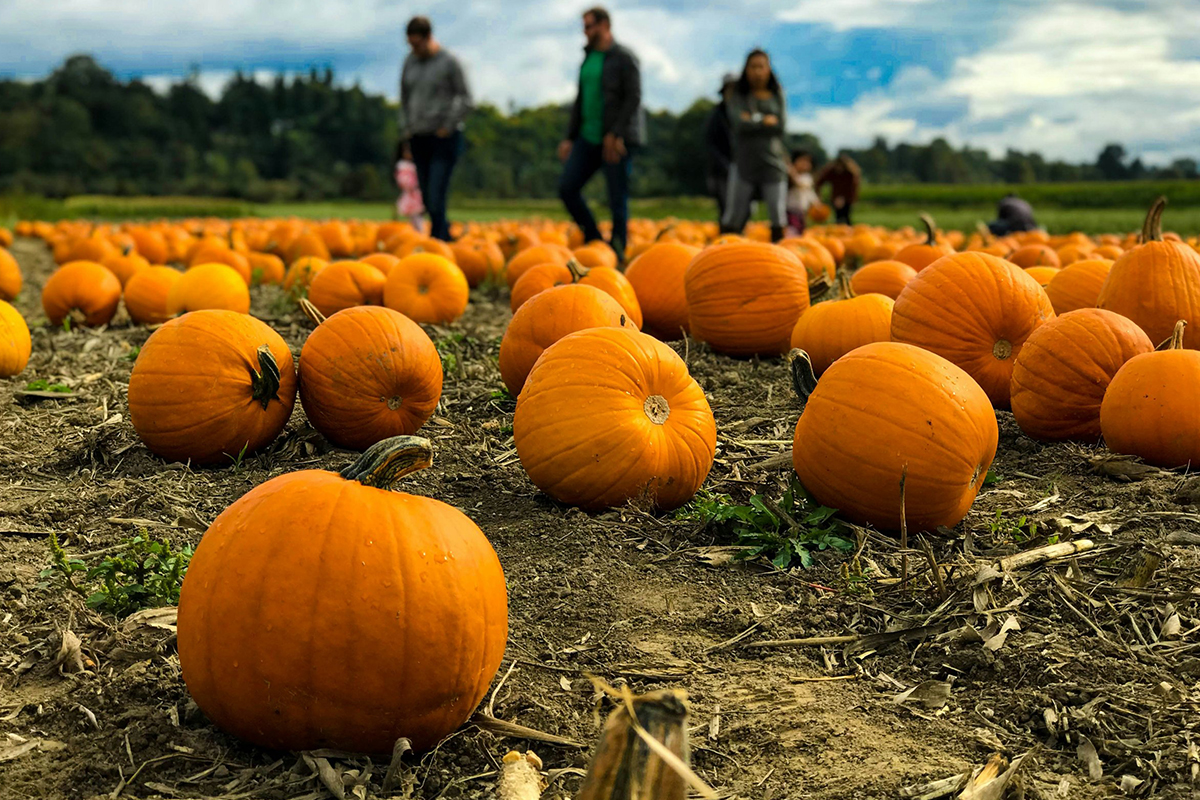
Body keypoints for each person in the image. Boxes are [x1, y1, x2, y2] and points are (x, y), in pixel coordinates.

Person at [557, 6, 644, 261]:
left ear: (605, 25)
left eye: (589, 26)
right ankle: (595, 239)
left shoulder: (624, 57)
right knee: (567, 187)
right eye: (584, 27)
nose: (586, 32)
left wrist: (616, 133)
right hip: (587, 136)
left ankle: (618, 250)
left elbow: (633, 97)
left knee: (617, 196)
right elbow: (581, 100)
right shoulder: (588, 58)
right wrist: (569, 137)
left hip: (615, 139)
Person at [399, 16, 472, 241]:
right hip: (418, 137)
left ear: (429, 37)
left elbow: (466, 99)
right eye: (410, 44)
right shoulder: (409, 63)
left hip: (444, 137)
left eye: (417, 44)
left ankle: (439, 241)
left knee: (435, 192)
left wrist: (447, 125)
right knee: (427, 198)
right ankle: (444, 236)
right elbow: (404, 99)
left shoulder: (449, 62)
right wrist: (406, 131)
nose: (414, 49)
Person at [721, 49, 789, 242]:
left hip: (773, 162)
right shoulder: (737, 95)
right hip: (744, 162)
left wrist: (752, 119)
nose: (757, 72)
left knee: (777, 213)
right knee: (734, 213)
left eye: (761, 66)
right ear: (746, 69)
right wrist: (764, 121)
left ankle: (781, 258)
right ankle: (722, 256)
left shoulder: (777, 94)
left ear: (768, 69)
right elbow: (738, 124)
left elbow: (781, 126)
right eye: (753, 67)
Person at [703, 74, 736, 223]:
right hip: (721, 170)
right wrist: (725, 165)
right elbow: (710, 144)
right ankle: (726, 241)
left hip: (742, 168)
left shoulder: (742, 113)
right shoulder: (717, 115)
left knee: (742, 209)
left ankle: (739, 241)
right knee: (726, 208)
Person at [815, 153, 861, 225]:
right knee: (838, 217)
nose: (839, 168)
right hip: (835, 198)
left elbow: (852, 188)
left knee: (846, 216)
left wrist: (844, 198)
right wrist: (818, 195)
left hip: (847, 198)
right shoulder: (831, 172)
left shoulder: (850, 174)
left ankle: (846, 232)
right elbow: (819, 182)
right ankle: (839, 232)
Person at [393, 141, 425, 233]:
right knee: (411, 214)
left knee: (417, 214)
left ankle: (418, 231)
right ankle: (413, 232)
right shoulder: (403, 166)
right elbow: (402, 180)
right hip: (410, 194)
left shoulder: (417, 165)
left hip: (417, 193)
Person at [786, 149, 820, 235]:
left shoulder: (807, 177)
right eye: (802, 161)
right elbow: (797, 183)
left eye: (807, 162)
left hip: (802, 210)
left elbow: (809, 192)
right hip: (790, 209)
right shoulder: (788, 178)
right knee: (792, 230)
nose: (805, 164)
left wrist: (816, 203)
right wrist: (791, 172)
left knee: (801, 230)